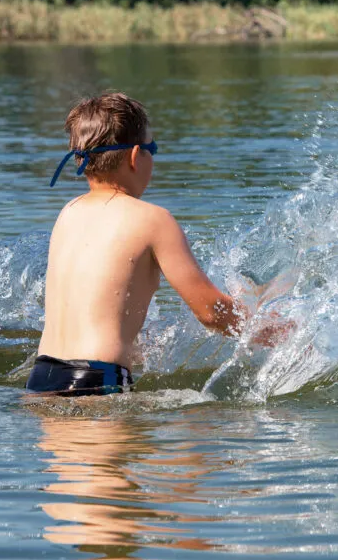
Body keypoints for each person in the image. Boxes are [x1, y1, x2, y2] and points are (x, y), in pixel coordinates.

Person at [27, 92, 277, 396]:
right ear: (135, 156)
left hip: (40, 378)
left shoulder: (68, 212)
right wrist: (271, 329)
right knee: (222, 433)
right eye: (152, 148)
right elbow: (210, 312)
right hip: (97, 381)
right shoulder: (153, 219)